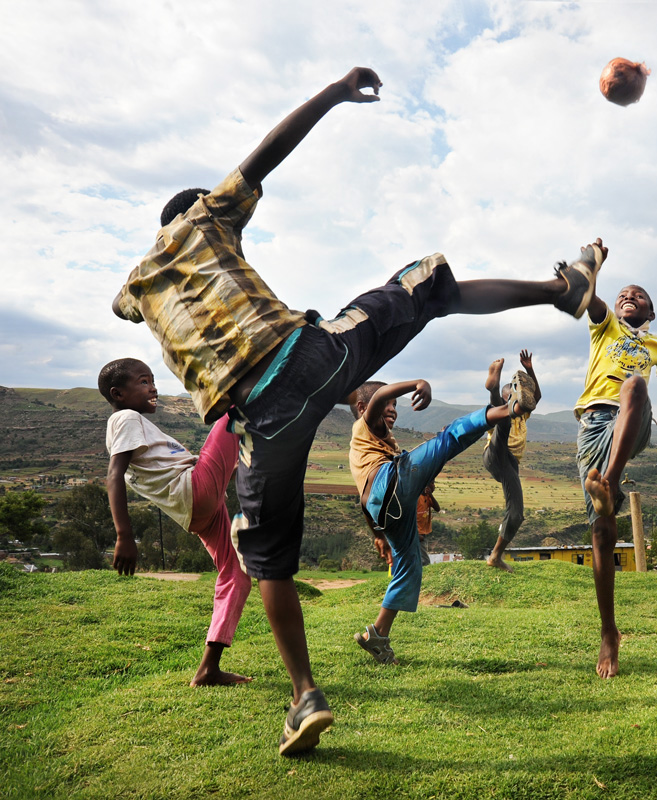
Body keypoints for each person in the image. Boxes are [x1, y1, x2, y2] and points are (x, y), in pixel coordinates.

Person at [111, 67, 604, 755]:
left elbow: (126, 304)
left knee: (269, 562)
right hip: (307, 358)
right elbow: (267, 153)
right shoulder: (206, 215)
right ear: (198, 208)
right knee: (424, 285)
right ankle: (563, 290)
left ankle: (304, 694)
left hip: (255, 420)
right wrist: (337, 92)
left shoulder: (136, 282)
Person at [348, 371, 535, 666]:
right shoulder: (366, 425)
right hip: (389, 484)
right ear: (363, 408)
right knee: (450, 436)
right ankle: (511, 409)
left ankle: (378, 635)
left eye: (397, 404)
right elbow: (378, 397)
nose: (393, 409)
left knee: (409, 570)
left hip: (385, 509)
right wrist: (420, 384)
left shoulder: (372, 446)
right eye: (389, 404)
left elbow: (364, 500)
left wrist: (378, 534)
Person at [100, 358, 251, 688]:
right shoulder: (124, 419)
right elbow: (114, 476)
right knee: (232, 409)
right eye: (143, 381)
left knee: (236, 573)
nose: (152, 387)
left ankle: (209, 669)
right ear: (118, 394)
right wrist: (124, 535)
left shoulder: (133, 421)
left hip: (195, 512)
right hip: (195, 491)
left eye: (152, 380)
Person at [575, 269, 657, 678]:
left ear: (650, 311)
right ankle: (609, 633)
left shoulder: (655, 343)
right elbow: (589, 296)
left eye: (638, 295)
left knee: (636, 385)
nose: (629, 296)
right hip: (593, 425)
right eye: (624, 294)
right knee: (602, 532)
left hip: (632, 422)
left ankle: (610, 480)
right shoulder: (604, 327)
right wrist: (594, 266)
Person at [483, 351, 540, 571]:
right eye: (517, 394)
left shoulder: (524, 413)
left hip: (509, 464)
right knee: (502, 418)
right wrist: (496, 394)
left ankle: (495, 556)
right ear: (509, 397)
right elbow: (500, 410)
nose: (524, 397)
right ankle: (492, 387)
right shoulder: (498, 409)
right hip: (496, 454)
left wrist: (529, 369)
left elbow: (535, 399)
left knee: (516, 514)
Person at [416, 481, 440, 566]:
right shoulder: (417, 498)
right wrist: (416, 533)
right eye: (432, 484)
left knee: (420, 558)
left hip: (423, 533)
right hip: (417, 534)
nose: (434, 486)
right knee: (425, 561)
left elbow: (437, 508)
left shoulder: (427, 497)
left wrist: (430, 495)